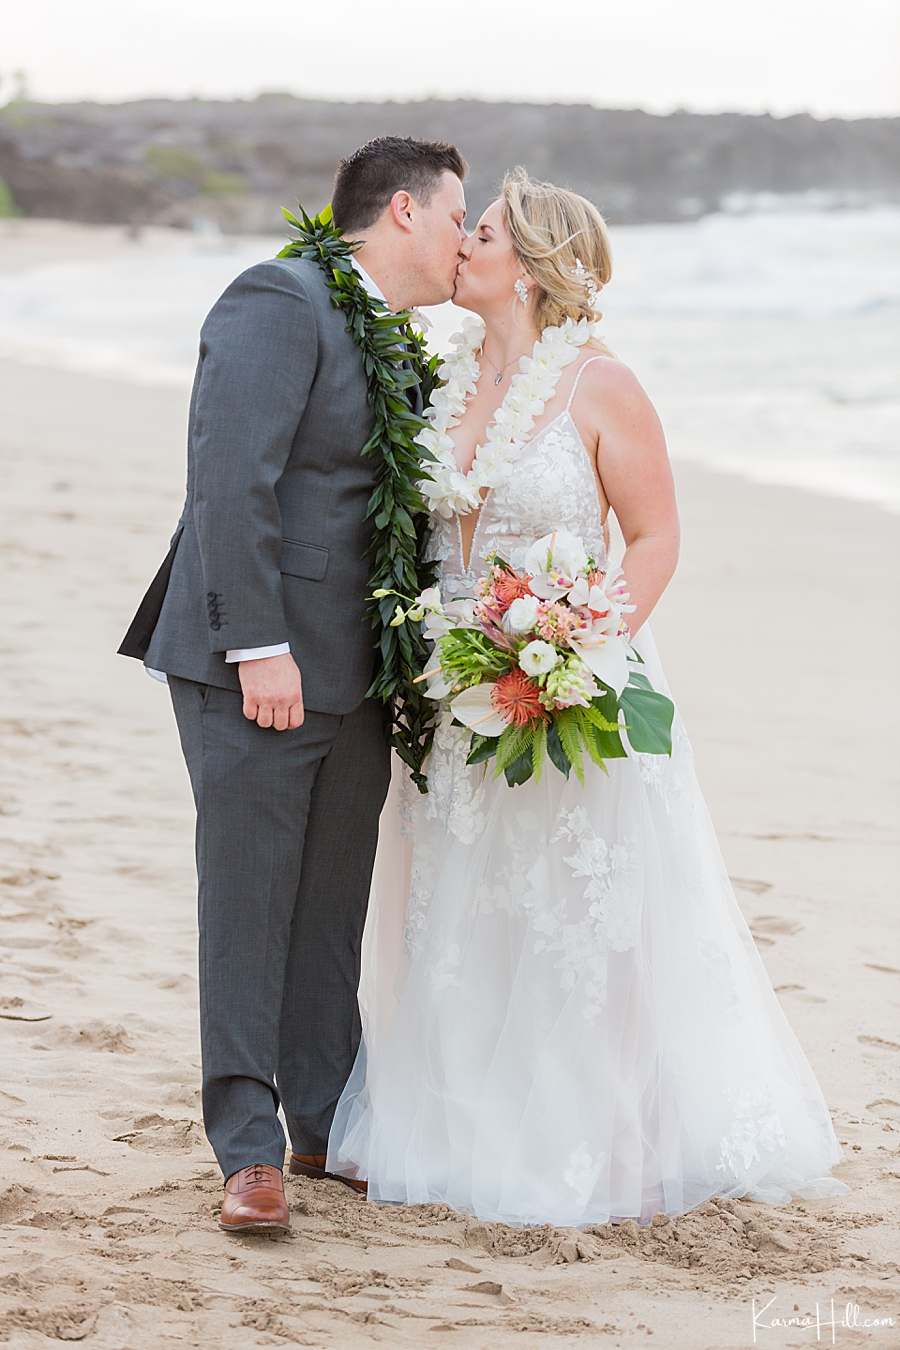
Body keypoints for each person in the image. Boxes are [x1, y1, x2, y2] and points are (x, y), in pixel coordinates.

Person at [326, 169, 849, 1226]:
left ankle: (605, 1143)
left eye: (481, 231)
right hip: (453, 693)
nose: (460, 243)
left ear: (528, 262)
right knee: (462, 912)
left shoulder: (601, 385)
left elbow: (655, 537)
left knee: (586, 916)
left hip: (578, 684)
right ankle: (462, 1125)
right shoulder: (443, 380)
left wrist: (579, 637)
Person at [119, 137, 467, 1233]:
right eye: (461, 214)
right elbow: (230, 479)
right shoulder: (281, 297)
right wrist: (255, 644)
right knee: (249, 895)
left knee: (329, 902)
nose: (468, 236)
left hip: (358, 665)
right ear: (405, 212)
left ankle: (324, 1119)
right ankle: (248, 1148)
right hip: (255, 659)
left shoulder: (396, 333)